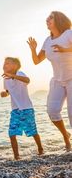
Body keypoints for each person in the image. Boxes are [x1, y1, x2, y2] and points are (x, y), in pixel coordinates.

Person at [27, 11, 72, 152]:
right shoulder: (47, 40)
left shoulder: (68, 34)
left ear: (59, 20)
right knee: (52, 112)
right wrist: (33, 49)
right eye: (47, 17)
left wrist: (65, 50)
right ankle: (66, 136)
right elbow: (36, 61)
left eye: (51, 17)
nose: (47, 19)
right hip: (57, 80)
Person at [0, 57, 43, 160]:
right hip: (15, 110)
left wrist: (13, 76)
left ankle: (40, 149)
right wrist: (4, 93)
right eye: (4, 63)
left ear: (15, 66)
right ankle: (16, 156)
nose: (4, 65)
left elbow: (27, 80)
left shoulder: (20, 73)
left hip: (27, 108)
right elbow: (8, 91)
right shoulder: (5, 79)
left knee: (32, 131)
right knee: (12, 133)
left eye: (8, 63)